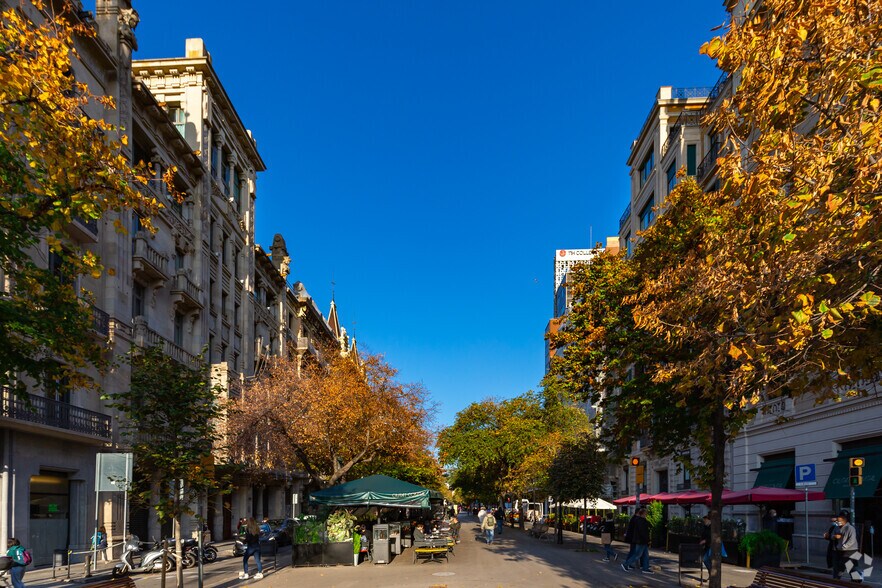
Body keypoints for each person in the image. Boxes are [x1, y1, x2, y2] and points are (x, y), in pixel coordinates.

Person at [620, 508, 652, 574]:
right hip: (641, 540)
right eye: (645, 513)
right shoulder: (640, 521)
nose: (646, 515)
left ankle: (645, 567)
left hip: (640, 540)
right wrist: (647, 539)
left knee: (645, 555)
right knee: (637, 555)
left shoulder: (639, 520)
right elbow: (643, 532)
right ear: (643, 514)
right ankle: (626, 564)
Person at [832, 511, 858, 580]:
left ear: (844, 519)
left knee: (847, 565)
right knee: (838, 565)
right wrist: (834, 536)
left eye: (839, 519)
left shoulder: (850, 528)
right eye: (838, 519)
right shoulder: (836, 527)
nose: (838, 521)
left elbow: (852, 540)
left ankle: (856, 578)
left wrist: (844, 547)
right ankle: (836, 578)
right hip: (839, 549)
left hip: (850, 550)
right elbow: (832, 536)